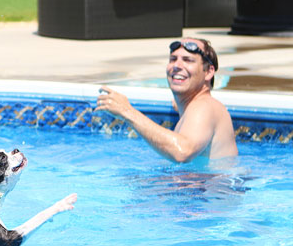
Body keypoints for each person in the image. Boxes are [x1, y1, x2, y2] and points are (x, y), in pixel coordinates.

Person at [95, 37, 238, 162]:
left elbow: (182, 152)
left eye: (188, 60)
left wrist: (127, 111)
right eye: (173, 59)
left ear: (208, 72)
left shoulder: (204, 106)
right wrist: (182, 106)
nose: (177, 66)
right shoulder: (193, 107)